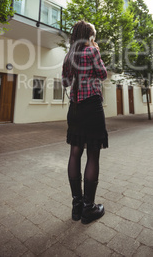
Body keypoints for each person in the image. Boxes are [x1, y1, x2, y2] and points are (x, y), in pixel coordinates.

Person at [62, 20, 108, 224]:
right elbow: (103, 74)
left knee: (75, 153)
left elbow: (65, 82)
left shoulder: (69, 55)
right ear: (89, 35)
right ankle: (89, 208)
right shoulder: (92, 51)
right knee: (92, 154)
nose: (94, 38)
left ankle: (77, 205)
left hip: (75, 108)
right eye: (94, 35)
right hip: (92, 107)